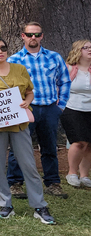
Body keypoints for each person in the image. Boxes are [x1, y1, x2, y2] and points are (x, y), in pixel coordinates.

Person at [0, 36, 56, 224]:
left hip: (19, 126)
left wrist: (27, 101)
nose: (0, 51)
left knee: (29, 166)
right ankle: (5, 204)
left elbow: (29, 91)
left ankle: (39, 205)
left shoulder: (20, 69)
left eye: (3, 48)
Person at [7, 22, 71, 199]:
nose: (33, 38)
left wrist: (61, 105)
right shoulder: (13, 60)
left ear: (42, 36)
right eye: (29, 34)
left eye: (37, 34)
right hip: (25, 109)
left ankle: (52, 183)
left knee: (50, 147)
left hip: (50, 109)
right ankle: (15, 183)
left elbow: (65, 81)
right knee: (18, 148)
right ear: (23, 36)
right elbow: (7, 88)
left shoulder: (54, 57)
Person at [60, 39, 91, 188]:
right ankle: (72, 173)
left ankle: (84, 176)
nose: (89, 50)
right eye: (86, 48)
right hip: (72, 108)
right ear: (78, 50)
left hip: (90, 110)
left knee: (89, 144)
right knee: (79, 142)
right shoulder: (69, 69)